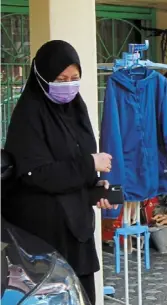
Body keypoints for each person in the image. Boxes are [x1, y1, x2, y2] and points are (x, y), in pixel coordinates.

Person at [2, 40, 116, 305]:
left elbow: (73, 164)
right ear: (41, 77)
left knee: (80, 295)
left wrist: (94, 187)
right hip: (44, 235)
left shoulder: (77, 109)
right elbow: (37, 173)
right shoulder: (29, 114)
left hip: (76, 229)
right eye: (60, 78)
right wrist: (89, 164)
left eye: (74, 78)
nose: (68, 85)